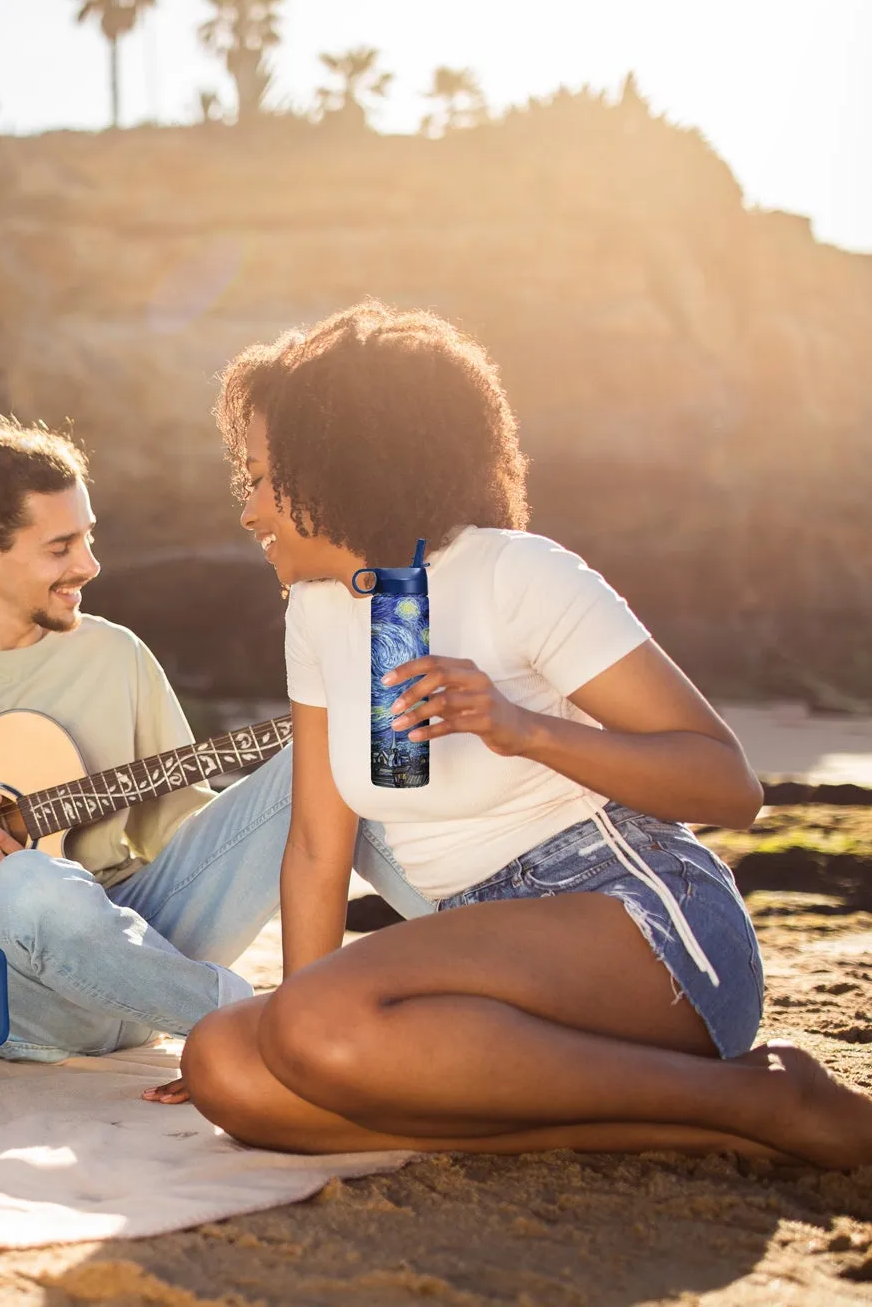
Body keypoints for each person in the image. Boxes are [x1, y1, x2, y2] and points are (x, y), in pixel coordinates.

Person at [157, 301, 872, 1167]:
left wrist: (520, 727)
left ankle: (756, 1093)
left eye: (261, 479)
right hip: (471, 961)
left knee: (306, 1027)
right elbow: (316, 843)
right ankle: (713, 1118)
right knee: (228, 1064)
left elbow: (730, 790)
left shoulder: (517, 574)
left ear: (334, 465)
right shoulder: (314, 613)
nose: (248, 510)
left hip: (639, 925)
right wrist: (293, 1051)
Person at [0, 418, 432, 1062]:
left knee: (328, 754)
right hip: (4, 989)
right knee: (29, 880)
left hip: (134, 955)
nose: (88, 565)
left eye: (87, 537)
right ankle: (262, 1024)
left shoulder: (116, 656)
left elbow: (183, 840)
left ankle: (479, 939)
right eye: (61, 546)